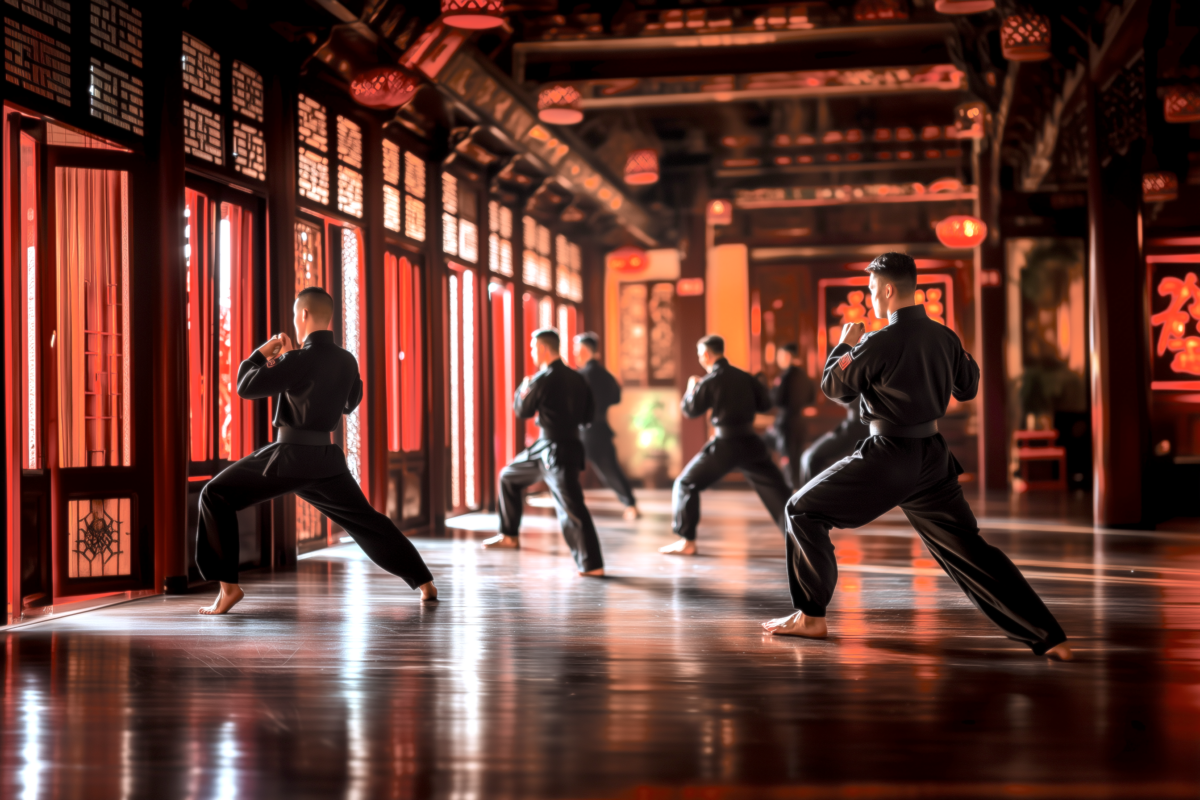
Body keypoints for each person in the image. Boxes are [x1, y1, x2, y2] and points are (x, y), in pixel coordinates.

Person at [762, 252, 1072, 661]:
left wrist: (845, 343)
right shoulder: (945, 337)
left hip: (889, 455)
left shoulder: (878, 341)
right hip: (933, 458)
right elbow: (968, 387)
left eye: (872, 291)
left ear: (888, 290)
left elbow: (834, 387)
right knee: (968, 547)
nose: (870, 299)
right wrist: (953, 348)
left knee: (801, 509)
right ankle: (1049, 635)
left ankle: (811, 615)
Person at [195, 287, 436, 615]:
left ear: (304, 315)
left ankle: (229, 588)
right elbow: (351, 404)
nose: (295, 320)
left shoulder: (299, 359)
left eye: (296, 315)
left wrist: (262, 354)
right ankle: (424, 582)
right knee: (367, 522)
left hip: (288, 458)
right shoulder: (346, 361)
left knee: (214, 494)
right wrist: (297, 369)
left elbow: (245, 386)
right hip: (326, 461)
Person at [483, 328, 605, 576]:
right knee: (508, 476)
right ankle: (509, 535)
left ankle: (593, 565)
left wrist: (523, 387)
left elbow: (522, 410)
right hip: (550, 447)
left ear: (544, 348)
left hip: (556, 451)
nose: (531, 350)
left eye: (533, 346)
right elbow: (588, 416)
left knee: (570, 505)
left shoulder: (542, 378)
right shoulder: (579, 378)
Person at [661, 335, 793, 556]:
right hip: (751, 443)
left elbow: (690, 411)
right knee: (779, 493)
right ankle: (800, 539)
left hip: (725, 445)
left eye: (699, 354)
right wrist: (760, 384)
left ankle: (687, 541)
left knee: (685, 484)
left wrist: (690, 389)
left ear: (706, 354)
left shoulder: (709, 381)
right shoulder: (745, 377)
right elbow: (765, 405)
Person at [574, 332, 640, 521]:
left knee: (565, 469)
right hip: (601, 427)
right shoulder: (606, 375)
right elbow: (616, 397)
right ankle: (630, 504)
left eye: (578, 351)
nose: (576, 355)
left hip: (584, 431)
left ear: (586, 351)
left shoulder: (581, 376)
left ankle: (569, 507)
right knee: (610, 469)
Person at [768, 343, 817, 490]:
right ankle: (800, 490)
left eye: (780, 356)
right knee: (797, 459)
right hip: (800, 422)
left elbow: (775, 399)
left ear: (788, 356)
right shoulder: (805, 376)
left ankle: (791, 493)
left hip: (786, 423)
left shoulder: (786, 376)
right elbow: (811, 398)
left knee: (787, 459)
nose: (779, 359)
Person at [798, 402, 871, 487]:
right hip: (854, 423)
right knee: (808, 457)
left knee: (811, 458)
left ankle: (812, 497)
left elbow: (842, 396)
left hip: (859, 425)